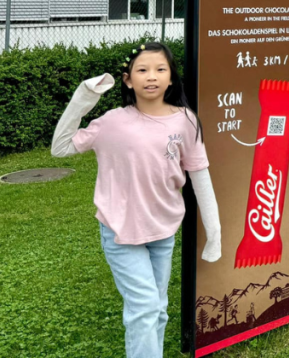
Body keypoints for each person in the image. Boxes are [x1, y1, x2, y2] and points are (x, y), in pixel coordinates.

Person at [51, 42, 221, 358]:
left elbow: (200, 176)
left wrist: (215, 234)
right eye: (142, 70)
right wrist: (84, 96)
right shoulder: (112, 122)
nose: (151, 76)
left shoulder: (185, 121)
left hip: (163, 231)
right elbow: (60, 147)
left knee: (158, 309)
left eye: (160, 69)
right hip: (121, 232)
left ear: (171, 78)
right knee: (144, 307)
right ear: (128, 80)